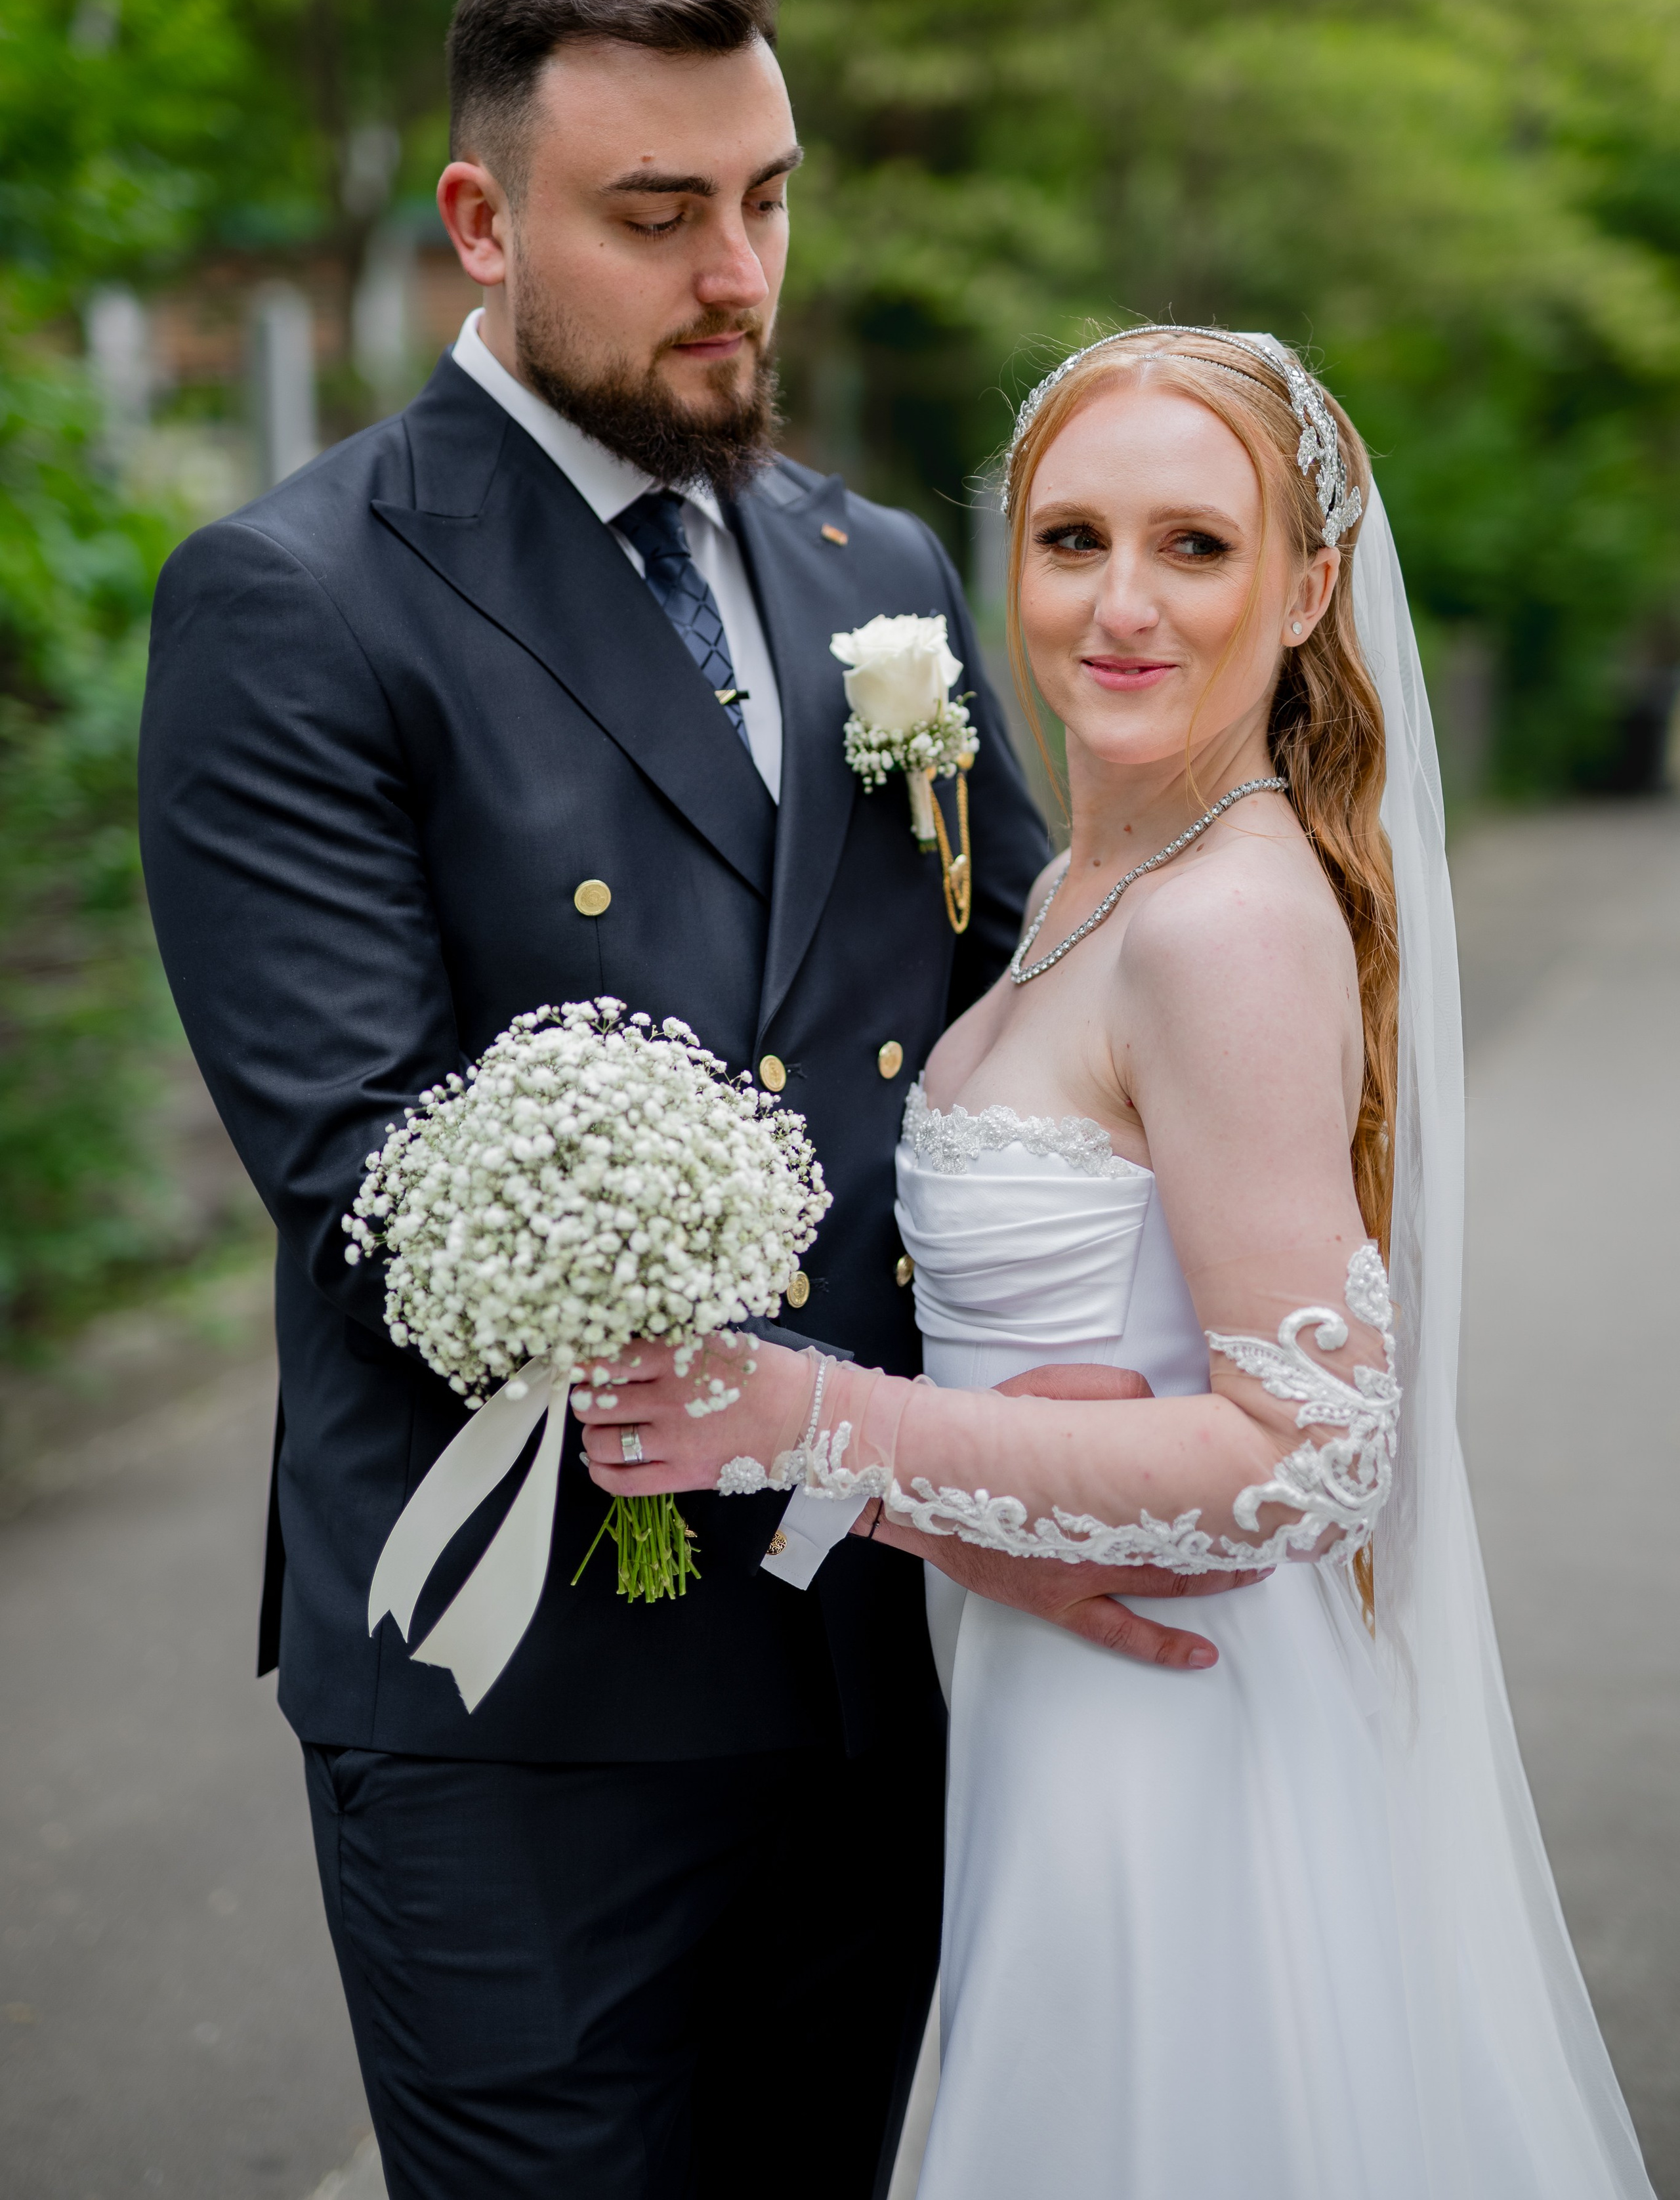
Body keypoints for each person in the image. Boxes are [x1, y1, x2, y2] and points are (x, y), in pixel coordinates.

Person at [137, 0, 1256, 2200]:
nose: (734, 266)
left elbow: (1042, 1027)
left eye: (766, 195)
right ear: (482, 222)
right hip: (524, 1698)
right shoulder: (299, 596)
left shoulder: (878, 571)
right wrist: (898, 1466)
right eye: (657, 215)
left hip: (875, 1672)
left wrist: (1059, 1445)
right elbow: (375, 1193)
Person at [588, 326, 1659, 2199]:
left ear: (1311, 587)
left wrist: (809, 1418)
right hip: (1049, 1687)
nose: (1120, 606)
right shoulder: (1088, 882)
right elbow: (1040, 1392)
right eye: (1072, 538)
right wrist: (912, 1486)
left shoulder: (1226, 926)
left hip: (1182, 1740)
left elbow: (1310, 1449)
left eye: (1196, 545)